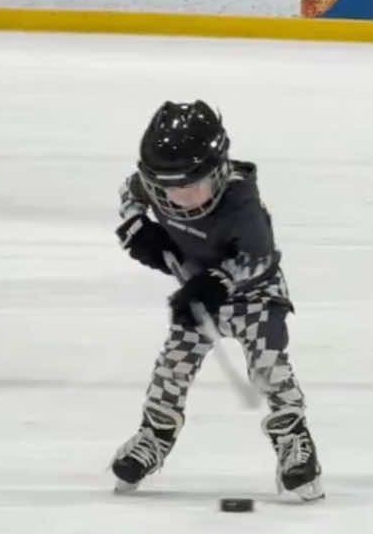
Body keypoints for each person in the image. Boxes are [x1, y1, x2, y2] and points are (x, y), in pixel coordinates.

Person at [111, 100, 324, 502]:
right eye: (169, 190)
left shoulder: (243, 205)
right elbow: (130, 192)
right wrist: (136, 227)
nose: (184, 198)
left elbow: (260, 259)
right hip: (198, 293)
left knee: (269, 366)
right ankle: (154, 437)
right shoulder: (156, 184)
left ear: (221, 171)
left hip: (254, 295)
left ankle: (293, 441)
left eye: (195, 186)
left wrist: (217, 283)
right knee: (172, 367)